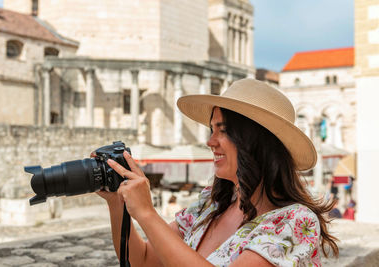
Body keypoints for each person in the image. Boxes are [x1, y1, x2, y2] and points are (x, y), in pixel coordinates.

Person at [95, 79, 338, 266]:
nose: (210, 142)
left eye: (222, 130)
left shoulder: (295, 222)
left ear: (256, 142)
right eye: (212, 130)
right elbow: (144, 260)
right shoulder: (210, 205)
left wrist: (147, 214)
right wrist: (118, 204)